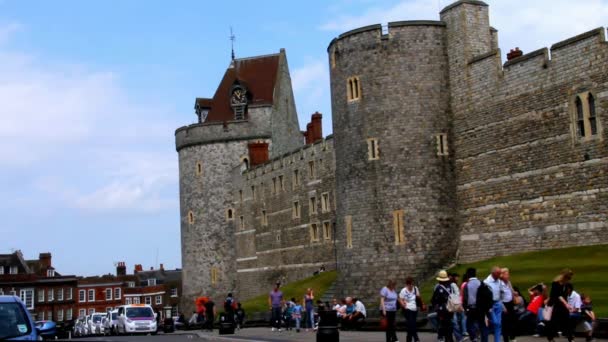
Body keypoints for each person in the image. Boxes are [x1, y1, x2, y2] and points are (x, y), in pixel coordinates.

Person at [546, 268, 574, 342]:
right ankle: (550, 338)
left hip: (562, 305)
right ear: (565, 277)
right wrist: (566, 304)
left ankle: (570, 338)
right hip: (555, 305)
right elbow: (558, 296)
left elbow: (565, 295)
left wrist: (566, 304)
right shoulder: (556, 283)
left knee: (567, 321)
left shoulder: (567, 284)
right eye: (568, 278)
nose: (569, 280)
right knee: (553, 322)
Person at [463, 267, 489, 342]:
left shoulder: (467, 285)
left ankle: (473, 338)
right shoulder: (481, 283)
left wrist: (465, 309)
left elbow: (465, 299)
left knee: (469, 325)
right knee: (482, 326)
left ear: (468, 275)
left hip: (471, 308)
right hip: (481, 308)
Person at [484, 266, 505, 342]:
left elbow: (502, 292)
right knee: (495, 322)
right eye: (498, 273)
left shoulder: (499, 281)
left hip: (498, 303)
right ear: (493, 273)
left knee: (499, 324)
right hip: (491, 304)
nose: (500, 275)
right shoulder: (486, 282)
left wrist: (502, 304)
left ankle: (497, 340)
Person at [432, 270, 454, 342]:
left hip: (442, 310)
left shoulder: (438, 288)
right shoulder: (450, 286)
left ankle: (445, 338)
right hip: (450, 308)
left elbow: (434, 300)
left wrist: (436, 307)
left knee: (444, 325)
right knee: (449, 325)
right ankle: (450, 338)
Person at [399, 277, 421, 342]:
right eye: (410, 284)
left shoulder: (415, 288)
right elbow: (400, 299)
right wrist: (403, 304)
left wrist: (418, 297)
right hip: (407, 309)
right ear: (407, 284)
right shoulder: (403, 290)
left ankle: (408, 339)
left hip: (414, 309)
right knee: (412, 324)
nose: (411, 286)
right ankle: (416, 339)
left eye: (412, 284)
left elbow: (418, 297)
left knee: (410, 325)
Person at [500, 268, 516, 342]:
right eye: (507, 274)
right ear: (502, 275)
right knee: (505, 323)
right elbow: (498, 297)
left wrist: (514, 293)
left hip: (510, 303)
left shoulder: (508, 282)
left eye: (508, 274)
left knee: (512, 320)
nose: (508, 276)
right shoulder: (500, 284)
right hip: (504, 304)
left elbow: (511, 290)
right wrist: (503, 307)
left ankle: (512, 336)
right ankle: (506, 339)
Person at [450, 273, 465, 342]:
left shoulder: (453, 284)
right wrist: (459, 304)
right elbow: (456, 294)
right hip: (455, 304)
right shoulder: (453, 284)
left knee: (458, 319)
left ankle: (460, 335)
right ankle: (460, 336)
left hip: (454, 304)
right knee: (456, 320)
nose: (458, 279)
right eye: (456, 277)